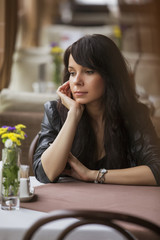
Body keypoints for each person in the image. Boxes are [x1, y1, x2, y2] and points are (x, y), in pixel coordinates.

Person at [33, 34, 160, 185]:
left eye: (89, 71)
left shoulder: (134, 115)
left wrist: (92, 175)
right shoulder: (55, 111)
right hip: (70, 203)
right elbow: (45, 174)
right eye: (72, 73)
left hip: (120, 204)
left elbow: (156, 171)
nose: (77, 81)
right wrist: (73, 115)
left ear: (110, 75)